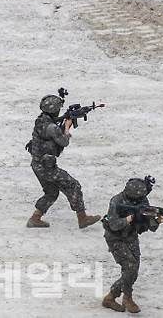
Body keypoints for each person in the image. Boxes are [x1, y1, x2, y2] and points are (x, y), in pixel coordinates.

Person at [25, 94, 100, 228]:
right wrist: (67, 127)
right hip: (46, 167)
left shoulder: (42, 120)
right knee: (73, 185)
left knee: (51, 193)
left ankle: (35, 218)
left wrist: (68, 117)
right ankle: (82, 218)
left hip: (37, 165)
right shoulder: (51, 128)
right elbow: (63, 142)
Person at [101, 176, 163, 313]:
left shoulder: (142, 201)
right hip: (115, 238)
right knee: (130, 266)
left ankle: (110, 297)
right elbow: (114, 225)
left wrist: (157, 220)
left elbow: (151, 226)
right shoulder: (116, 201)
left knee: (133, 271)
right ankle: (127, 298)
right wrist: (130, 218)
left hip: (131, 236)